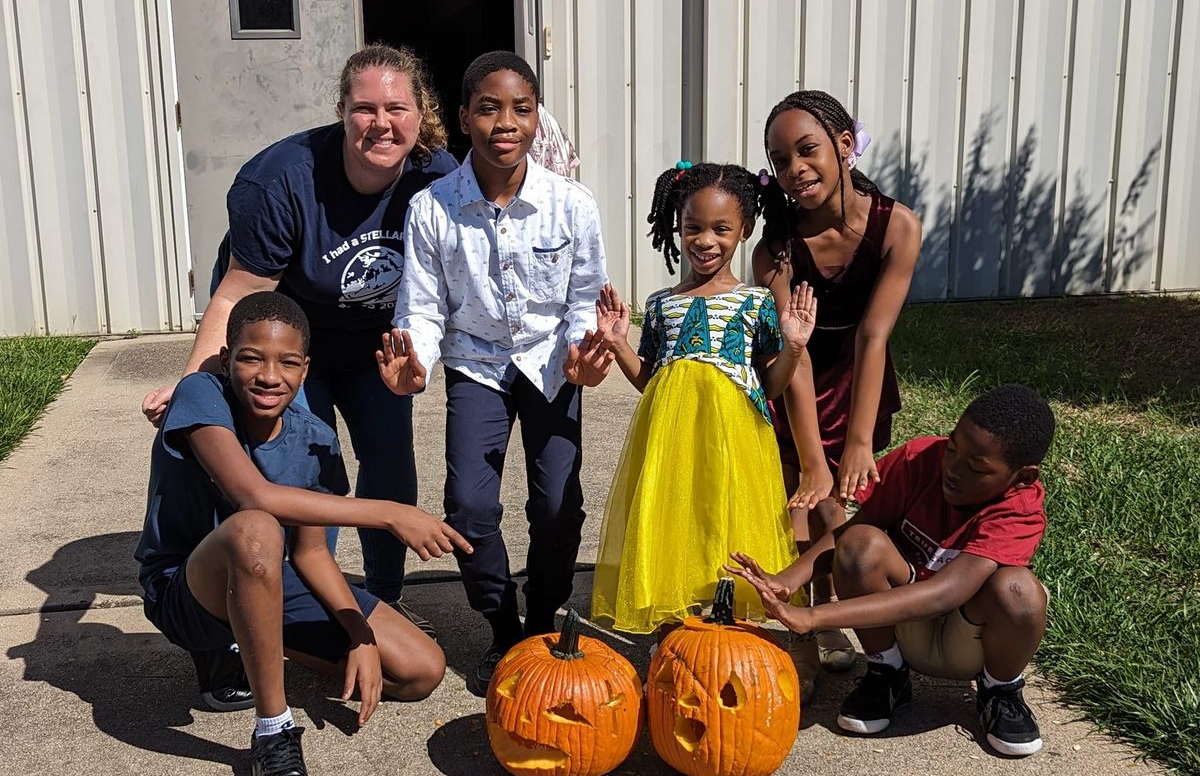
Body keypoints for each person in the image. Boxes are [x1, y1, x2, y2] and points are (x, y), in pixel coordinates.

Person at [141, 44, 456, 635]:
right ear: (341, 111)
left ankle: (383, 597)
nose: (381, 123)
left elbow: (448, 289)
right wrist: (193, 385)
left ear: (421, 115)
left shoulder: (437, 180)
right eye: (364, 108)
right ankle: (298, 602)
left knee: (389, 460)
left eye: (397, 108)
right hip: (289, 344)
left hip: (375, 348)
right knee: (298, 468)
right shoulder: (279, 179)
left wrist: (421, 360)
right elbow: (238, 293)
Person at [135, 292, 470, 776]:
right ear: (226, 360)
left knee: (420, 669)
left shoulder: (315, 439)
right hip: (185, 590)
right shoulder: (202, 396)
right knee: (256, 530)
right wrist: (389, 512)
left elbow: (312, 554)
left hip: (267, 579)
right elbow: (255, 498)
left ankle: (248, 646)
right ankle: (273, 732)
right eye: (251, 357)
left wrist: (359, 632)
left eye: (288, 362)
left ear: (305, 368)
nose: (270, 375)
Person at [379, 50, 611, 696]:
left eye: (522, 108)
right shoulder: (432, 209)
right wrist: (414, 362)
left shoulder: (571, 204)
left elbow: (584, 297)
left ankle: (543, 614)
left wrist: (581, 349)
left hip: (550, 365)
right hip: (476, 366)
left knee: (558, 502)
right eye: (488, 108)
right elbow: (422, 307)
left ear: (538, 118)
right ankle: (501, 625)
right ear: (462, 118)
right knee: (471, 505)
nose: (505, 123)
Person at [728, 384, 1055, 757]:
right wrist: (786, 580)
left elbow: (945, 594)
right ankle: (887, 674)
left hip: (970, 641)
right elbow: (849, 534)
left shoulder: (1021, 509)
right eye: (952, 448)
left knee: (1020, 591)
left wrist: (813, 617)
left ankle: (1000, 690)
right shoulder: (919, 460)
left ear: (1023, 477)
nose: (953, 468)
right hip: (903, 627)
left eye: (976, 467)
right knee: (859, 545)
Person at [589, 162, 817, 634]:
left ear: (744, 230)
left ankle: (737, 623)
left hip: (736, 437)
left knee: (727, 519)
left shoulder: (754, 302)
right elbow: (650, 378)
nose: (705, 240)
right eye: (692, 227)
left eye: (721, 229)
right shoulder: (659, 304)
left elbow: (769, 385)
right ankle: (680, 629)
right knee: (679, 522)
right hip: (669, 438)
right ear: (678, 225)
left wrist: (793, 348)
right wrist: (618, 344)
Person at [754, 89, 923, 683]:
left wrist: (854, 444)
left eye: (807, 151)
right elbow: (790, 356)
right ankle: (807, 623)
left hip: (859, 378)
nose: (794, 169)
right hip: (793, 377)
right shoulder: (775, 251)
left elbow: (874, 336)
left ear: (844, 146)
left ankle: (841, 615)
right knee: (802, 500)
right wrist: (810, 457)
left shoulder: (897, 225)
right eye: (780, 160)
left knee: (842, 507)